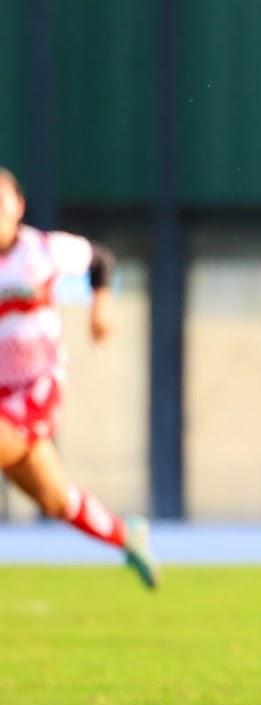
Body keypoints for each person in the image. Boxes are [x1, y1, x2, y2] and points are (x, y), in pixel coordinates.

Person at [0, 167, 159, 588]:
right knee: (55, 499)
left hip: (37, 384)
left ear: (18, 205)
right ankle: (128, 537)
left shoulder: (43, 250)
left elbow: (101, 259)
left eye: (1, 201)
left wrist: (100, 308)